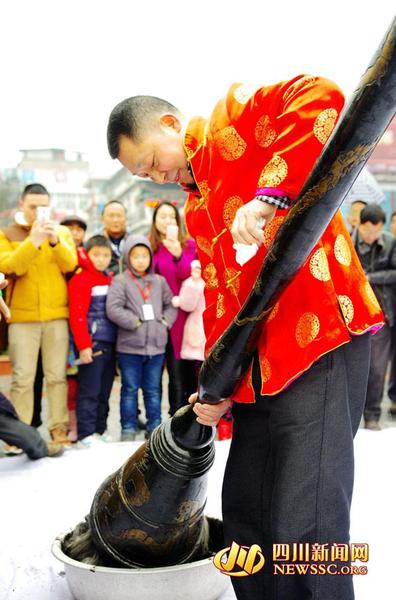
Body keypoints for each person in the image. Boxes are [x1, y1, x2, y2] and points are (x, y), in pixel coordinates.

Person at [107, 76, 384, 600]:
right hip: (258, 369)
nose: (154, 176)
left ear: (169, 125)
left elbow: (321, 96)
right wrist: (215, 391)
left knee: (308, 520)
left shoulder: (232, 121)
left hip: (317, 338)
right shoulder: (195, 207)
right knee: (246, 516)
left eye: (147, 162)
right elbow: (220, 305)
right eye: (142, 175)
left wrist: (267, 195)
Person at [0, 183, 77, 446]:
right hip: (22, 318)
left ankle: (59, 430)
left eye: (43, 206)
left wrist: (53, 240)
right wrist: (33, 241)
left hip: (56, 316)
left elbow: (71, 263)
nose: (38, 212)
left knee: (57, 377)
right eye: (33, 206)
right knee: (22, 379)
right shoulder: (7, 233)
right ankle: (18, 436)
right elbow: (10, 266)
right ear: (22, 205)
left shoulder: (62, 232)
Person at [106, 235, 177, 440]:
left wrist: (164, 322)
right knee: (129, 389)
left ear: (150, 258)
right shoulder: (120, 281)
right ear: (128, 258)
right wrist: (134, 322)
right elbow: (113, 308)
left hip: (156, 348)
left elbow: (170, 304)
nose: (140, 260)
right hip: (130, 348)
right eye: (135, 256)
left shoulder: (159, 281)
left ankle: (154, 426)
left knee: (153, 389)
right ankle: (128, 427)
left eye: (144, 255)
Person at [148, 201, 197, 415]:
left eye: (171, 217)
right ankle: (164, 416)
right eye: (162, 216)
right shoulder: (149, 247)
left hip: (186, 316)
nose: (167, 221)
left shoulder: (189, 246)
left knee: (186, 369)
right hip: (159, 316)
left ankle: (186, 415)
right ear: (154, 221)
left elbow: (191, 276)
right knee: (163, 370)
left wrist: (178, 254)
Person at [68, 235, 116, 447]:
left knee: (104, 389)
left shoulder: (108, 278)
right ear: (87, 254)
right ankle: (85, 433)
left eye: (105, 255)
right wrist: (84, 346)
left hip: (110, 343)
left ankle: (100, 429)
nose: (101, 259)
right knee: (90, 389)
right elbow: (77, 316)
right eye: (96, 254)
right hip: (92, 344)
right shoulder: (80, 279)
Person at [352, 204, 396, 430]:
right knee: (351, 367)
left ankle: (372, 415)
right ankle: (348, 416)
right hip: (352, 316)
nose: (372, 236)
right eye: (368, 231)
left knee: (377, 368)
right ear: (359, 225)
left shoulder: (390, 243)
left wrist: (370, 278)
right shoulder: (348, 242)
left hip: (381, 315)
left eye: (376, 231)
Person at [60, 214, 88, 441]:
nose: (74, 234)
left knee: (81, 380)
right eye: (69, 229)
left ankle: (81, 425)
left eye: (79, 230)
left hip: (83, 326)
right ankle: (69, 426)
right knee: (66, 380)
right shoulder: (56, 253)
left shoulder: (87, 256)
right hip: (60, 320)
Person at [101, 200, 129, 274]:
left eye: (119, 216)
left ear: (126, 219)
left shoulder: (135, 244)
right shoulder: (95, 245)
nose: (115, 220)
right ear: (102, 219)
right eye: (111, 216)